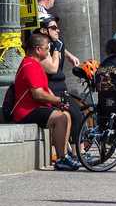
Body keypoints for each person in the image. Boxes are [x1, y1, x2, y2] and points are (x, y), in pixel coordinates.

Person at [11, 34, 78, 171]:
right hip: (26, 111)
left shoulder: (35, 64)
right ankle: (61, 159)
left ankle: (64, 155)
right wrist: (58, 100)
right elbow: (38, 94)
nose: (49, 51)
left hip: (35, 107)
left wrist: (58, 103)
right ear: (37, 49)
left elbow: (46, 89)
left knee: (66, 114)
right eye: (47, 48)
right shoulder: (30, 65)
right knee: (61, 118)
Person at [37, 16, 81, 154]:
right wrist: (56, 50)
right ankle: (77, 153)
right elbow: (52, 69)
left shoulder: (57, 43)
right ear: (44, 31)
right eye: (53, 28)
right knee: (74, 114)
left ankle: (79, 152)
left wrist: (69, 56)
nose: (58, 30)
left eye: (57, 27)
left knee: (78, 113)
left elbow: (61, 45)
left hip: (62, 87)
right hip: (51, 89)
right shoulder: (42, 49)